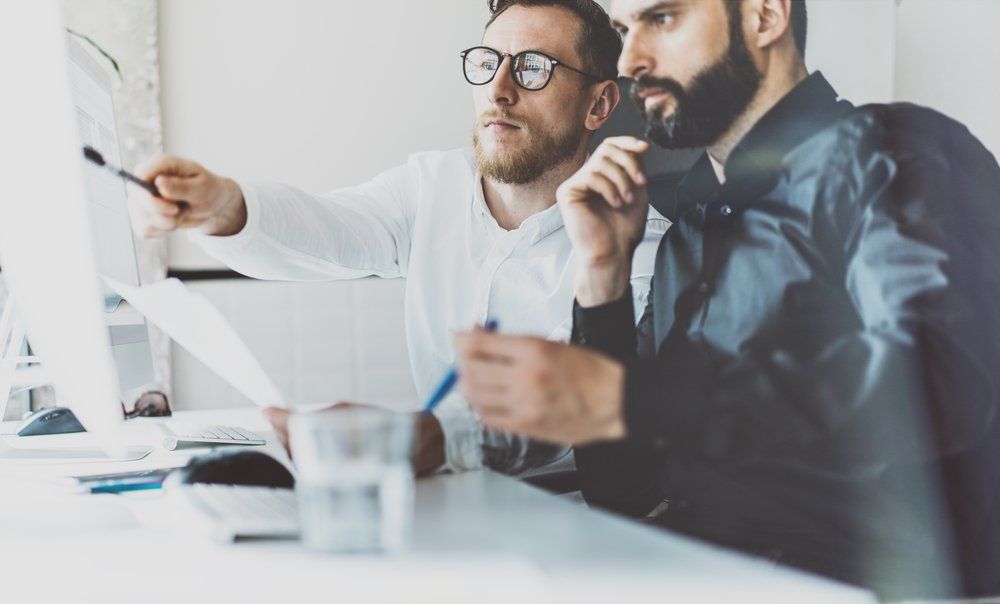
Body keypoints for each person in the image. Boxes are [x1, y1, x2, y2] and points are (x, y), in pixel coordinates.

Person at [454, 0, 1000, 598]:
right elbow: (626, 490)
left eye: (662, 19)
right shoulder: (686, 234)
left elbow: (933, 381)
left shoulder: (891, 154)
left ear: (765, 17)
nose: (632, 60)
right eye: (623, 30)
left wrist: (629, 397)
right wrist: (602, 275)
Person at [129, 0, 668, 477]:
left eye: (532, 68)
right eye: (487, 64)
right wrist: (223, 206)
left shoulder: (641, 244)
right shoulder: (430, 184)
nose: (498, 91)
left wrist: (432, 438)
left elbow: (571, 394)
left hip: (575, 526)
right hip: (447, 501)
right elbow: (328, 227)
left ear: (599, 104)